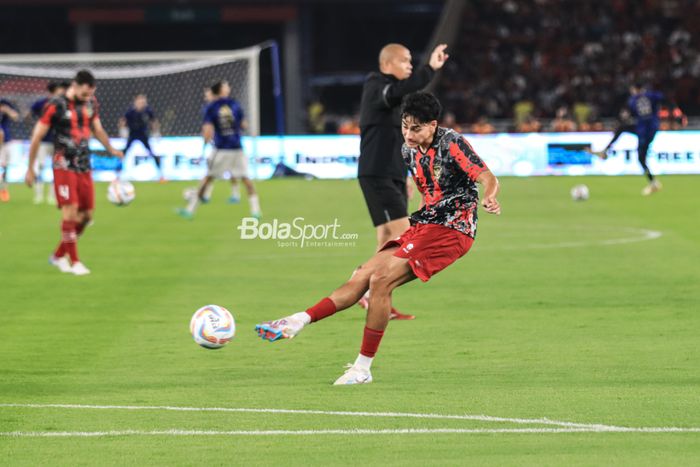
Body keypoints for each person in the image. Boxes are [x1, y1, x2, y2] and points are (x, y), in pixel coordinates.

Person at [255, 92, 501, 385]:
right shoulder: (407, 150)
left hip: (453, 228)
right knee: (363, 274)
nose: (408, 134)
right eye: (405, 126)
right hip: (427, 223)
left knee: (381, 281)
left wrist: (489, 197)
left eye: (416, 128)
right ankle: (298, 320)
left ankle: (362, 368)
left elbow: (486, 175)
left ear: (433, 125)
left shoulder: (452, 142)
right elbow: (425, 180)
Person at [356, 42, 449, 320]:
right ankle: (365, 286)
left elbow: (401, 140)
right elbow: (400, 91)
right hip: (376, 172)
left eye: (412, 61)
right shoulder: (376, 85)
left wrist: (406, 175)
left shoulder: (396, 98)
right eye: (405, 61)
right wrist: (429, 68)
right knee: (406, 235)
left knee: (386, 238)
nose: (410, 65)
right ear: (387, 64)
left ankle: (373, 296)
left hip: (391, 173)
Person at [25, 70, 123, 275]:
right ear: (75, 85)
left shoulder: (90, 104)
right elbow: (36, 137)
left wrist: (111, 148)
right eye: (85, 93)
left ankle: (58, 255)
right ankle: (75, 262)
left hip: (84, 165)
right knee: (71, 210)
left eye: (90, 94)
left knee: (86, 216)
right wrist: (30, 168)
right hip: (64, 164)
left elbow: (98, 129)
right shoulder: (55, 105)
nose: (88, 97)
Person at [178, 80, 260, 219]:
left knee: (208, 178)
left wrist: (204, 145)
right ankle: (256, 210)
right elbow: (244, 125)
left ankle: (190, 210)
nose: (229, 87)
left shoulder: (211, 107)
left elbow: (207, 130)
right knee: (245, 179)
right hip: (237, 148)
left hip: (221, 149)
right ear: (221, 90)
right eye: (226, 85)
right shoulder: (235, 104)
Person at [598, 83, 664, 195]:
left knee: (640, 158)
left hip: (643, 131)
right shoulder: (652, 95)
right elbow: (662, 98)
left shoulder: (633, 100)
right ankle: (605, 150)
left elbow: (627, 114)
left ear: (634, 89)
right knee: (623, 129)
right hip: (652, 129)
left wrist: (621, 119)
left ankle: (653, 184)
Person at [29, 80, 69, 204]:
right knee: (46, 167)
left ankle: (47, 196)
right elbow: (30, 114)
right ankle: (45, 195)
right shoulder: (46, 103)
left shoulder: (60, 103)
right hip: (47, 141)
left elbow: (29, 115)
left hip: (52, 141)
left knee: (50, 168)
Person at [119, 94, 163, 182]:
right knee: (124, 152)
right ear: (136, 101)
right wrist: (122, 130)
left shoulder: (148, 110)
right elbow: (123, 121)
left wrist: (156, 132)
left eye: (143, 101)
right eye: (140, 101)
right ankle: (117, 174)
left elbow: (154, 121)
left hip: (143, 134)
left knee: (151, 152)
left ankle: (161, 174)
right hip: (132, 134)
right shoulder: (130, 111)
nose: (142, 103)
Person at [0, 98, 20, 202]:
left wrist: (7, 110)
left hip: (5, 142)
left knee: (4, 166)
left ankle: (3, 190)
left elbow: (16, 116)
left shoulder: (5, 102)